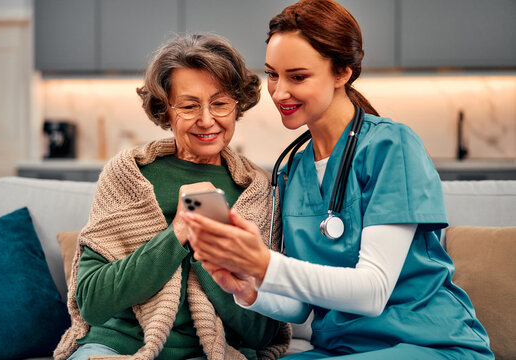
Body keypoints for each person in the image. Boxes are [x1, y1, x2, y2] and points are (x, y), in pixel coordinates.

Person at [183, 1, 495, 359]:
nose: (279, 92)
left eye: (297, 77)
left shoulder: (391, 147)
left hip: (426, 343)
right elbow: (301, 308)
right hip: (341, 349)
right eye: (272, 74)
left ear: (342, 72)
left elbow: (373, 291)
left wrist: (264, 264)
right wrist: (249, 289)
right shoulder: (290, 171)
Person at [53, 33, 291, 360]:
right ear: (165, 111)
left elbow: (261, 332)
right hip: (116, 348)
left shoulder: (258, 191)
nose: (207, 120)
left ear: (238, 106)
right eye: (190, 106)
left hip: (210, 352)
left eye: (220, 103)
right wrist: (178, 231)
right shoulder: (128, 174)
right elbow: (91, 302)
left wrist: (209, 245)